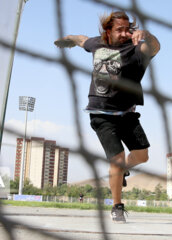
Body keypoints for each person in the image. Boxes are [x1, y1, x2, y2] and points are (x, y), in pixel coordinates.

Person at [57, 11, 160, 223]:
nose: (124, 34)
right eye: (119, 30)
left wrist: (146, 34)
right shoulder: (97, 44)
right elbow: (82, 40)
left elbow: (156, 47)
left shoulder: (136, 48)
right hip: (100, 113)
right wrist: (68, 39)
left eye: (127, 29)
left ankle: (120, 172)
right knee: (117, 159)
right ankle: (117, 206)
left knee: (142, 156)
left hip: (127, 113)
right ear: (108, 31)